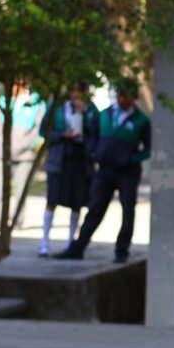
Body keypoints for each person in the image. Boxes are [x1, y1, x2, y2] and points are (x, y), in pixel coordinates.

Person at [54, 78, 150, 263]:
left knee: (127, 211)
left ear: (133, 98)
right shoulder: (105, 114)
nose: (122, 99)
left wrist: (132, 159)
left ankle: (121, 250)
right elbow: (93, 136)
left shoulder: (141, 120)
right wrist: (93, 152)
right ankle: (78, 247)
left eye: (126, 96)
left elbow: (148, 147)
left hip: (128, 172)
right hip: (105, 169)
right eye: (120, 95)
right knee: (95, 208)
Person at [38, 83, 99, 257]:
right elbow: (44, 131)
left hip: (80, 161)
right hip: (59, 160)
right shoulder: (57, 107)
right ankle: (44, 242)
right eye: (73, 90)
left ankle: (71, 241)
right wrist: (62, 135)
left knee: (77, 202)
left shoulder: (90, 110)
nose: (76, 94)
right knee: (52, 199)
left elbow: (96, 132)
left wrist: (84, 113)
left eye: (79, 91)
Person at [0, 82, 45, 229]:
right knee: (1, 189)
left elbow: (38, 131)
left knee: (21, 189)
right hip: (5, 153)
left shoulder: (37, 104)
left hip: (25, 155)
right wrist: (6, 146)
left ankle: (18, 220)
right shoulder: (4, 101)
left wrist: (22, 146)